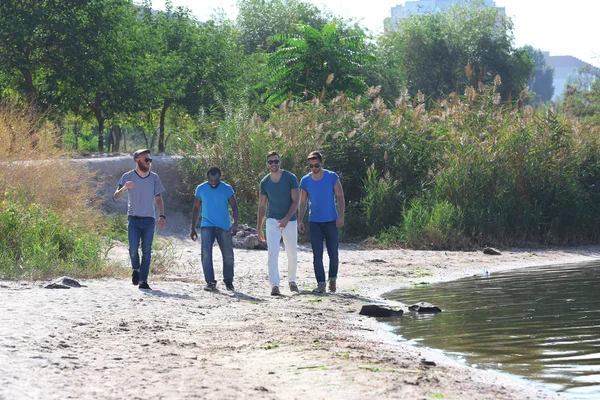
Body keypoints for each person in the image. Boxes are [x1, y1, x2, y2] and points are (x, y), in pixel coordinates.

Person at [113, 149, 166, 290]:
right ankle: (136, 268)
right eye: (146, 160)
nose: (149, 162)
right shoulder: (127, 176)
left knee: (147, 251)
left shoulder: (154, 177)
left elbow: (159, 198)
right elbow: (115, 196)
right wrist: (124, 188)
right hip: (133, 219)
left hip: (149, 219)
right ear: (137, 160)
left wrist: (162, 216)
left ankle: (143, 281)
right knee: (133, 249)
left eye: (150, 160)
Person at [298, 151, 345, 293]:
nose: (313, 168)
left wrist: (341, 216)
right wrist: (300, 220)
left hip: (331, 220)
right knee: (317, 253)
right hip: (315, 222)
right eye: (311, 165)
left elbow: (340, 196)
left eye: (316, 165)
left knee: (333, 253)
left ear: (321, 163)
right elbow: (303, 202)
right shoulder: (305, 181)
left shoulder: (332, 177)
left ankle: (333, 280)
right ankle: (321, 283)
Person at [257, 151, 300, 296]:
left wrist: (287, 218)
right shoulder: (265, 182)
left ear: (280, 162)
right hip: (272, 220)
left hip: (290, 220)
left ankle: (292, 280)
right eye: (271, 162)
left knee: (291, 253)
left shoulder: (290, 177)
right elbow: (262, 206)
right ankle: (275, 285)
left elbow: (296, 200)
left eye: (276, 161)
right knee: (272, 253)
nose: (273, 164)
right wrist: (259, 228)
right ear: (267, 164)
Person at [191, 167, 239, 292]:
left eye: (216, 180)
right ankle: (210, 282)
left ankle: (229, 281)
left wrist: (235, 224)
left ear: (220, 177)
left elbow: (234, 207)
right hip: (206, 225)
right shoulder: (201, 189)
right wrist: (192, 228)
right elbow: (196, 208)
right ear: (207, 178)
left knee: (228, 255)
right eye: (210, 179)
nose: (213, 182)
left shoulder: (227, 189)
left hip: (224, 226)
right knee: (206, 255)